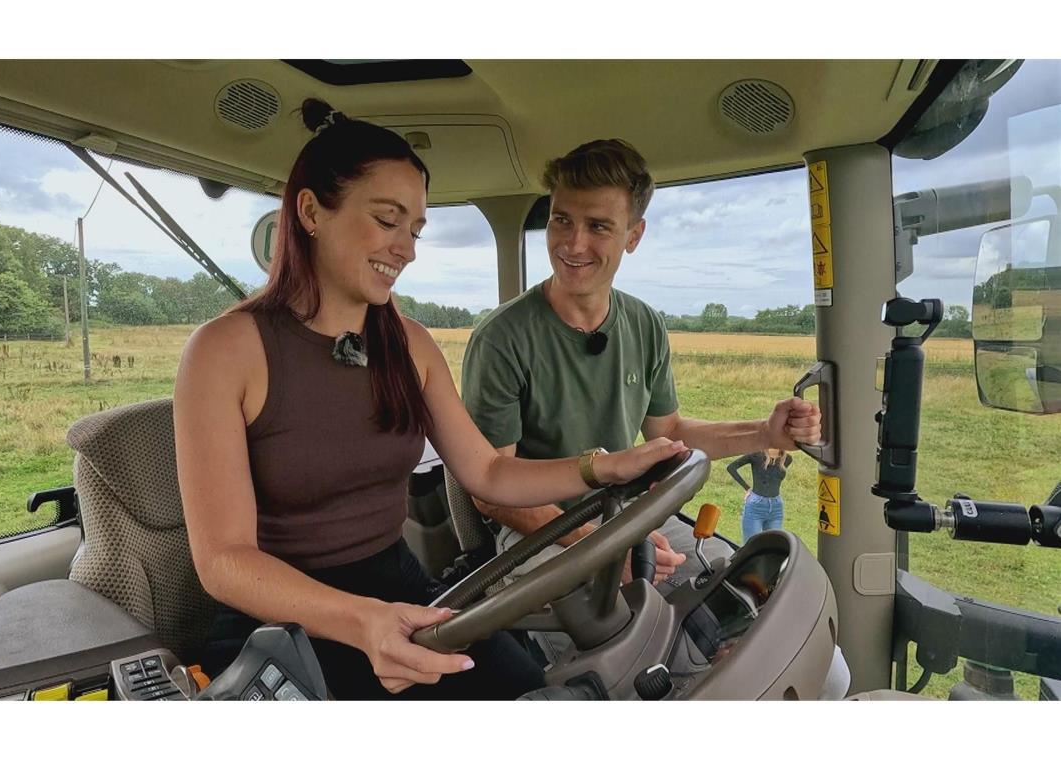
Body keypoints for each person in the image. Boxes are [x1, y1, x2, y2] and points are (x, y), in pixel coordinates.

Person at [172, 100, 688, 701]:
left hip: (398, 588)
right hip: (279, 617)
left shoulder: (409, 344)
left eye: (414, 230)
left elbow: (489, 470)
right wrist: (360, 620)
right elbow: (223, 559)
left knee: (525, 690)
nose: (406, 249)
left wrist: (597, 467)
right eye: (388, 221)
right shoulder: (223, 350)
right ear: (311, 211)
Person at [462, 138, 848, 698]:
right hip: (542, 533)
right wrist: (600, 547)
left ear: (633, 236)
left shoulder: (643, 325)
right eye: (561, 220)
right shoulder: (502, 340)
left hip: (631, 518)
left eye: (598, 226)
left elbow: (668, 435)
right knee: (630, 663)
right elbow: (492, 490)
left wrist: (763, 433)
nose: (572, 244)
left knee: (750, 609)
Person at [728, 449, 794, 542]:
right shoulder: (756, 455)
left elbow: (774, 479)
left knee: (773, 546)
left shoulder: (787, 459)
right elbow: (731, 467)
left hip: (776, 507)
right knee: (751, 546)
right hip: (756, 506)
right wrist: (747, 488)